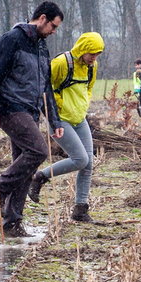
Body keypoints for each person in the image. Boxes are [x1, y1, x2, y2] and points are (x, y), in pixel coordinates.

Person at [0, 1, 65, 238]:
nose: (53, 31)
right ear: (41, 18)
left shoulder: (41, 47)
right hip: (10, 108)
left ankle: (12, 224)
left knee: (25, 164)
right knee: (38, 151)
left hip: (31, 111)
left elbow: (45, 87)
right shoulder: (12, 39)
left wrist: (54, 120)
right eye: (53, 26)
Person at [27, 32, 104, 222]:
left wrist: (82, 105)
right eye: (91, 53)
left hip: (79, 119)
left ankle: (80, 210)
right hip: (59, 120)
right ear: (83, 50)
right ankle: (40, 177)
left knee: (88, 164)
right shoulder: (62, 63)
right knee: (80, 159)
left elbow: (88, 88)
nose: (94, 58)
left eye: (98, 54)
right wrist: (58, 108)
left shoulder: (92, 66)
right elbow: (44, 88)